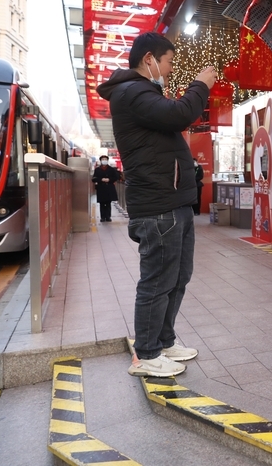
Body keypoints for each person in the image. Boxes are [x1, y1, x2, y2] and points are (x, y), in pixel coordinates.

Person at [96, 32, 217, 377]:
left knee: (179, 275)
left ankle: (163, 340)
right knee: (157, 280)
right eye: (168, 62)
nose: (169, 69)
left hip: (173, 202)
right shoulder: (132, 92)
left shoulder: (143, 93)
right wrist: (200, 84)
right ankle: (147, 354)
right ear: (149, 59)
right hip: (158, 205)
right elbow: (182, 113)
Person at [92, 156, 119, 222]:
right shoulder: (97, 169)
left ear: (107, 160)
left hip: (109, 188)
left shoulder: (111, 169)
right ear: (100, 161)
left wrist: (109, 180)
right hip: (101, 188)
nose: (104, 160)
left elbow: (115, 177)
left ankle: (108, 217)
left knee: (108, 203)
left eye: (105, 159)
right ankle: (102, 217)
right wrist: (101, 179)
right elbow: (94, 178)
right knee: (102, 203)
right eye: (103, 159)